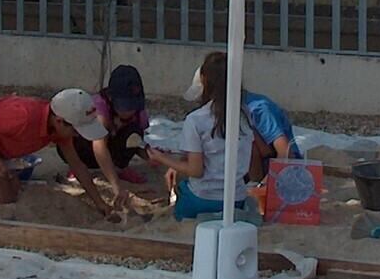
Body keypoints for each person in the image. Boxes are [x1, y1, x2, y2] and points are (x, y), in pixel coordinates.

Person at [151, 53, 254, 221]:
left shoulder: (197, 119)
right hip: (236, 198)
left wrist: (162, 158)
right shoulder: (245, 115)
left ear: (204, 81)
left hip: (205, 197)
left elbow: (195, 170)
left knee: (183, 191)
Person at [179, 51, 297, 184]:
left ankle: (253, 183)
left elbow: (285, 153)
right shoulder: (226, 109)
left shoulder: (258, 108)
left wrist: (263, 186)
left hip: (280, 171)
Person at [70, 65, 154, 207]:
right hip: (87, 148)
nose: (128, 111)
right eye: (123, 106)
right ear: (111, 97)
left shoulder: (139, 114)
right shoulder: (99, 106)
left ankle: (120, 168)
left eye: (131, 106)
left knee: (134, 132)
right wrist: (116, 186)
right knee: (90, 134)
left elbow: (137, 143)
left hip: (114, 147)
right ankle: (79, 166)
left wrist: (153, 157)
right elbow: (99, 146)